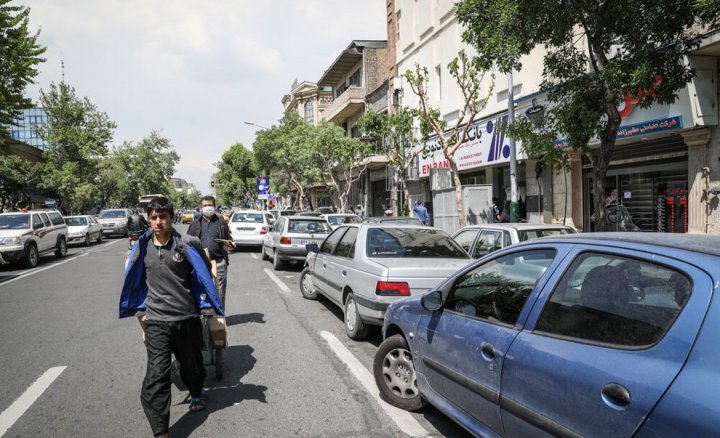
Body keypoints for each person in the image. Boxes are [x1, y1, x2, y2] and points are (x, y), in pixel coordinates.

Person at [119, 196, 223, 437]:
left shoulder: (188, 243)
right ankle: (160, 431)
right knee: (156, 376)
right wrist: (140, 313)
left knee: (192, 366)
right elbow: (134, 280)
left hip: (186, 317)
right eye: (153, 218)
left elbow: (204, 273)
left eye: (163, 217)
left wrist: (206, 307)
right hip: (156, 321)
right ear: (148, 219)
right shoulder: (141, 247)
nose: (158, 222)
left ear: (172, 218)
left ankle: (196, 392)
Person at [187, 195, 232, 304]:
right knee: (203, 291)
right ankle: (206, 318)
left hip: (219, 262)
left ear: (215, 206)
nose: (208, 207)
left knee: (220, 292)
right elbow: (187, 243)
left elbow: (229, 239)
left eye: (210, 205)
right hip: (201, 263)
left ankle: (220, 317)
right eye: (205, 205)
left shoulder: (221, 223)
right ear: (201, 207)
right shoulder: (194, 224)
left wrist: (229, 244)